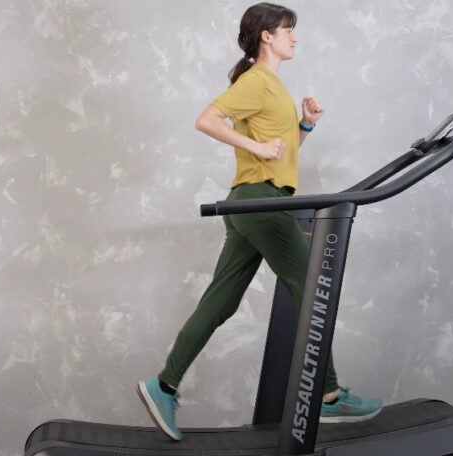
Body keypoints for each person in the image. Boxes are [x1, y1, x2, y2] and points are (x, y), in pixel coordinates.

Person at [137, 2, 382, 441]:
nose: (295, 37)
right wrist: (259, 149)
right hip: (260, 203)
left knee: (221, 300)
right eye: (288, 29)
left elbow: (278, 159)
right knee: (313, 286)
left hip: (254, 201)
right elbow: (206, 120)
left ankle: (164, 386)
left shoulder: (272, 87)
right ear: (266, 35)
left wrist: (304, 128)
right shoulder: (257, 82)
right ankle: (327, 397)